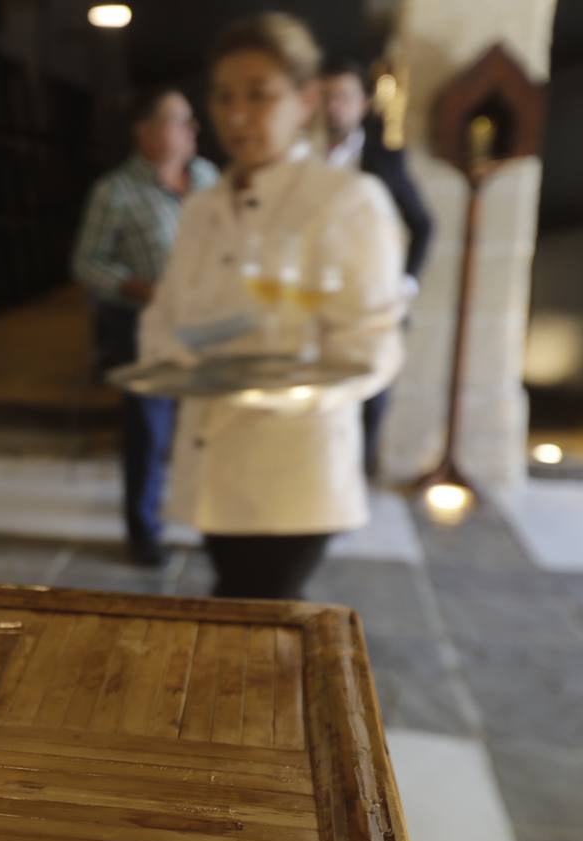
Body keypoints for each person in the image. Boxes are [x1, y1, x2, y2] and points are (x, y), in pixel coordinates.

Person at [138, 13, 405, 599]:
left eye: (259, 95)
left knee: (260, 613)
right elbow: (167, 316)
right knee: (238, 605)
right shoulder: (205, 206)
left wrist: (273, 384)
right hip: (210, 453)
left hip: (293, 469)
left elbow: (370, 347)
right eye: (225, 96)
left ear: (305, 99)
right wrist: (170, 357)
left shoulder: (346, 201)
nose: (236, 115)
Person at [72, 87, 220, 566]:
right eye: (180, 120)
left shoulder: (207, 177)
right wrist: (141, 288)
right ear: (146, 131)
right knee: (150, 434)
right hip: (149, 328)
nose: (192, 130)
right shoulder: (115, 191)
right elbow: (87, 263)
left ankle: (213, 522)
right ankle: (145, 531)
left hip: (210, 327)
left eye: (191, 120)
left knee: (208, 429)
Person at [322, 59, 434, 479]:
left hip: (370, 300)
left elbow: (423, 224)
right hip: (316, 299)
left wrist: (404, 285)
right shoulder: (303, 158)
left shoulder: (383, 160)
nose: (335, 107)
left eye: (344, 97)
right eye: (328, 96)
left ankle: (353, 484)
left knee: (369, 399)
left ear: (361, 104)